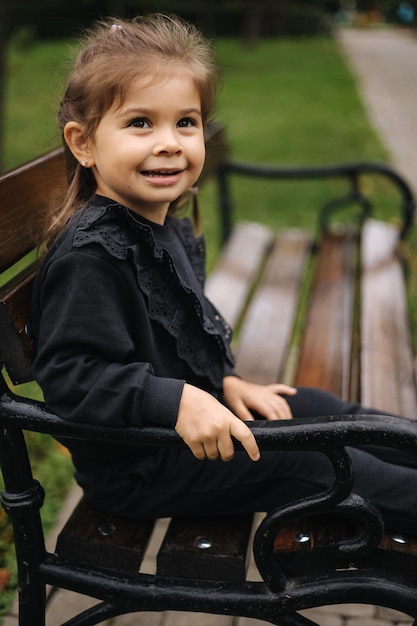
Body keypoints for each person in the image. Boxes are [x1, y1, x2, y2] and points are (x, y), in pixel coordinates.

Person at [32, 13, 417, 534]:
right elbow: (71, 377)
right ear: (83, 143)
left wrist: (225, 381)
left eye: (185, 122)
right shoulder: (91, 255)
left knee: (311, 407)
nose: (169, 142)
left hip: (183, 433)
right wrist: (179, 399)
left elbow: (183, 335)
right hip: (144, 464)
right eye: (140, 123)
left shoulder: (155, 219)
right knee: (310, 462)